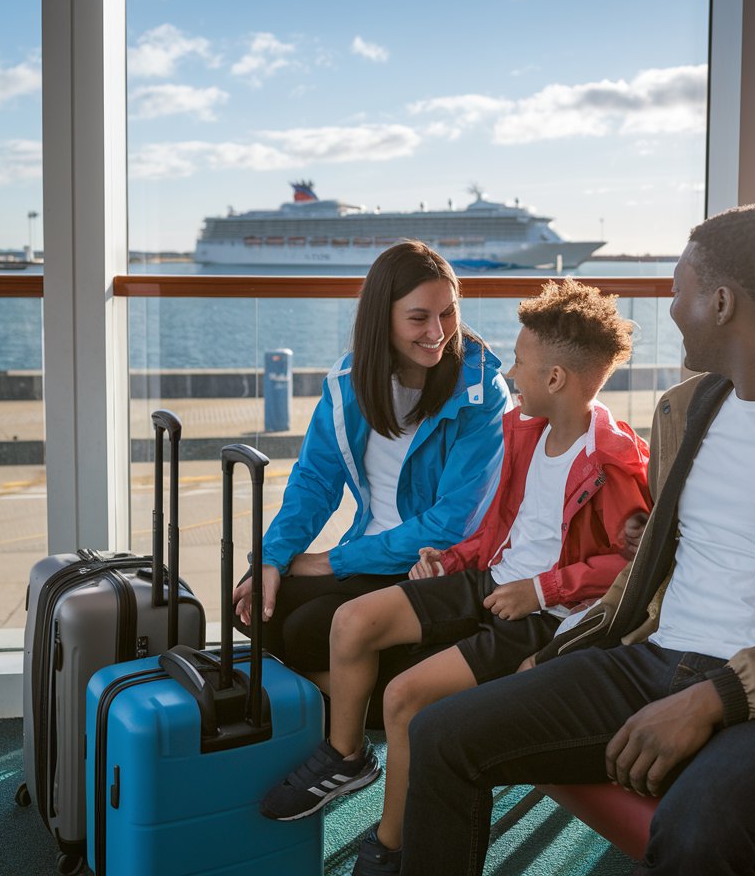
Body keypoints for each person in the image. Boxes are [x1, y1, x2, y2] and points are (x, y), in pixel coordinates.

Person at [398, 205, 755, 876]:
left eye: (679, 288)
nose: (669, 307)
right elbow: (672, 562)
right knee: (441, 733)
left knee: (697, 831)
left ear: (721, 303)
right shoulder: (683, 410)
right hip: (653, 660)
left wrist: (717, 697)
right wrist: (560, 650)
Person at [259, 279, 651, 876]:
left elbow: (630, 566)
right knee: (352, 620)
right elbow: (498, 526)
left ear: (554, 379)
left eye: (519, 362)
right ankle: (345, 756)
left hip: (544, 617)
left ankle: (390, 845)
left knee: (404, 697)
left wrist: (543, 591)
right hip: (493, 580)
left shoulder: (615, 462)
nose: (509, 372)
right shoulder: (527, 432)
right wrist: (455, 559)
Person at [233, 241, 511, 716]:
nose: (438, 332)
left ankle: (358, 712)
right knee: (250, 601)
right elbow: (314, 482)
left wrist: (330, 562)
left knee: (306, 629)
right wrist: (274, 558)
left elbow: (452, 524)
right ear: (381, 316)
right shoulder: (347, 385)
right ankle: (375, 700)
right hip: (370, 556)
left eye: (448, 314)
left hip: (435, 568)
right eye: (418, 317)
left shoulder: (480, 393)